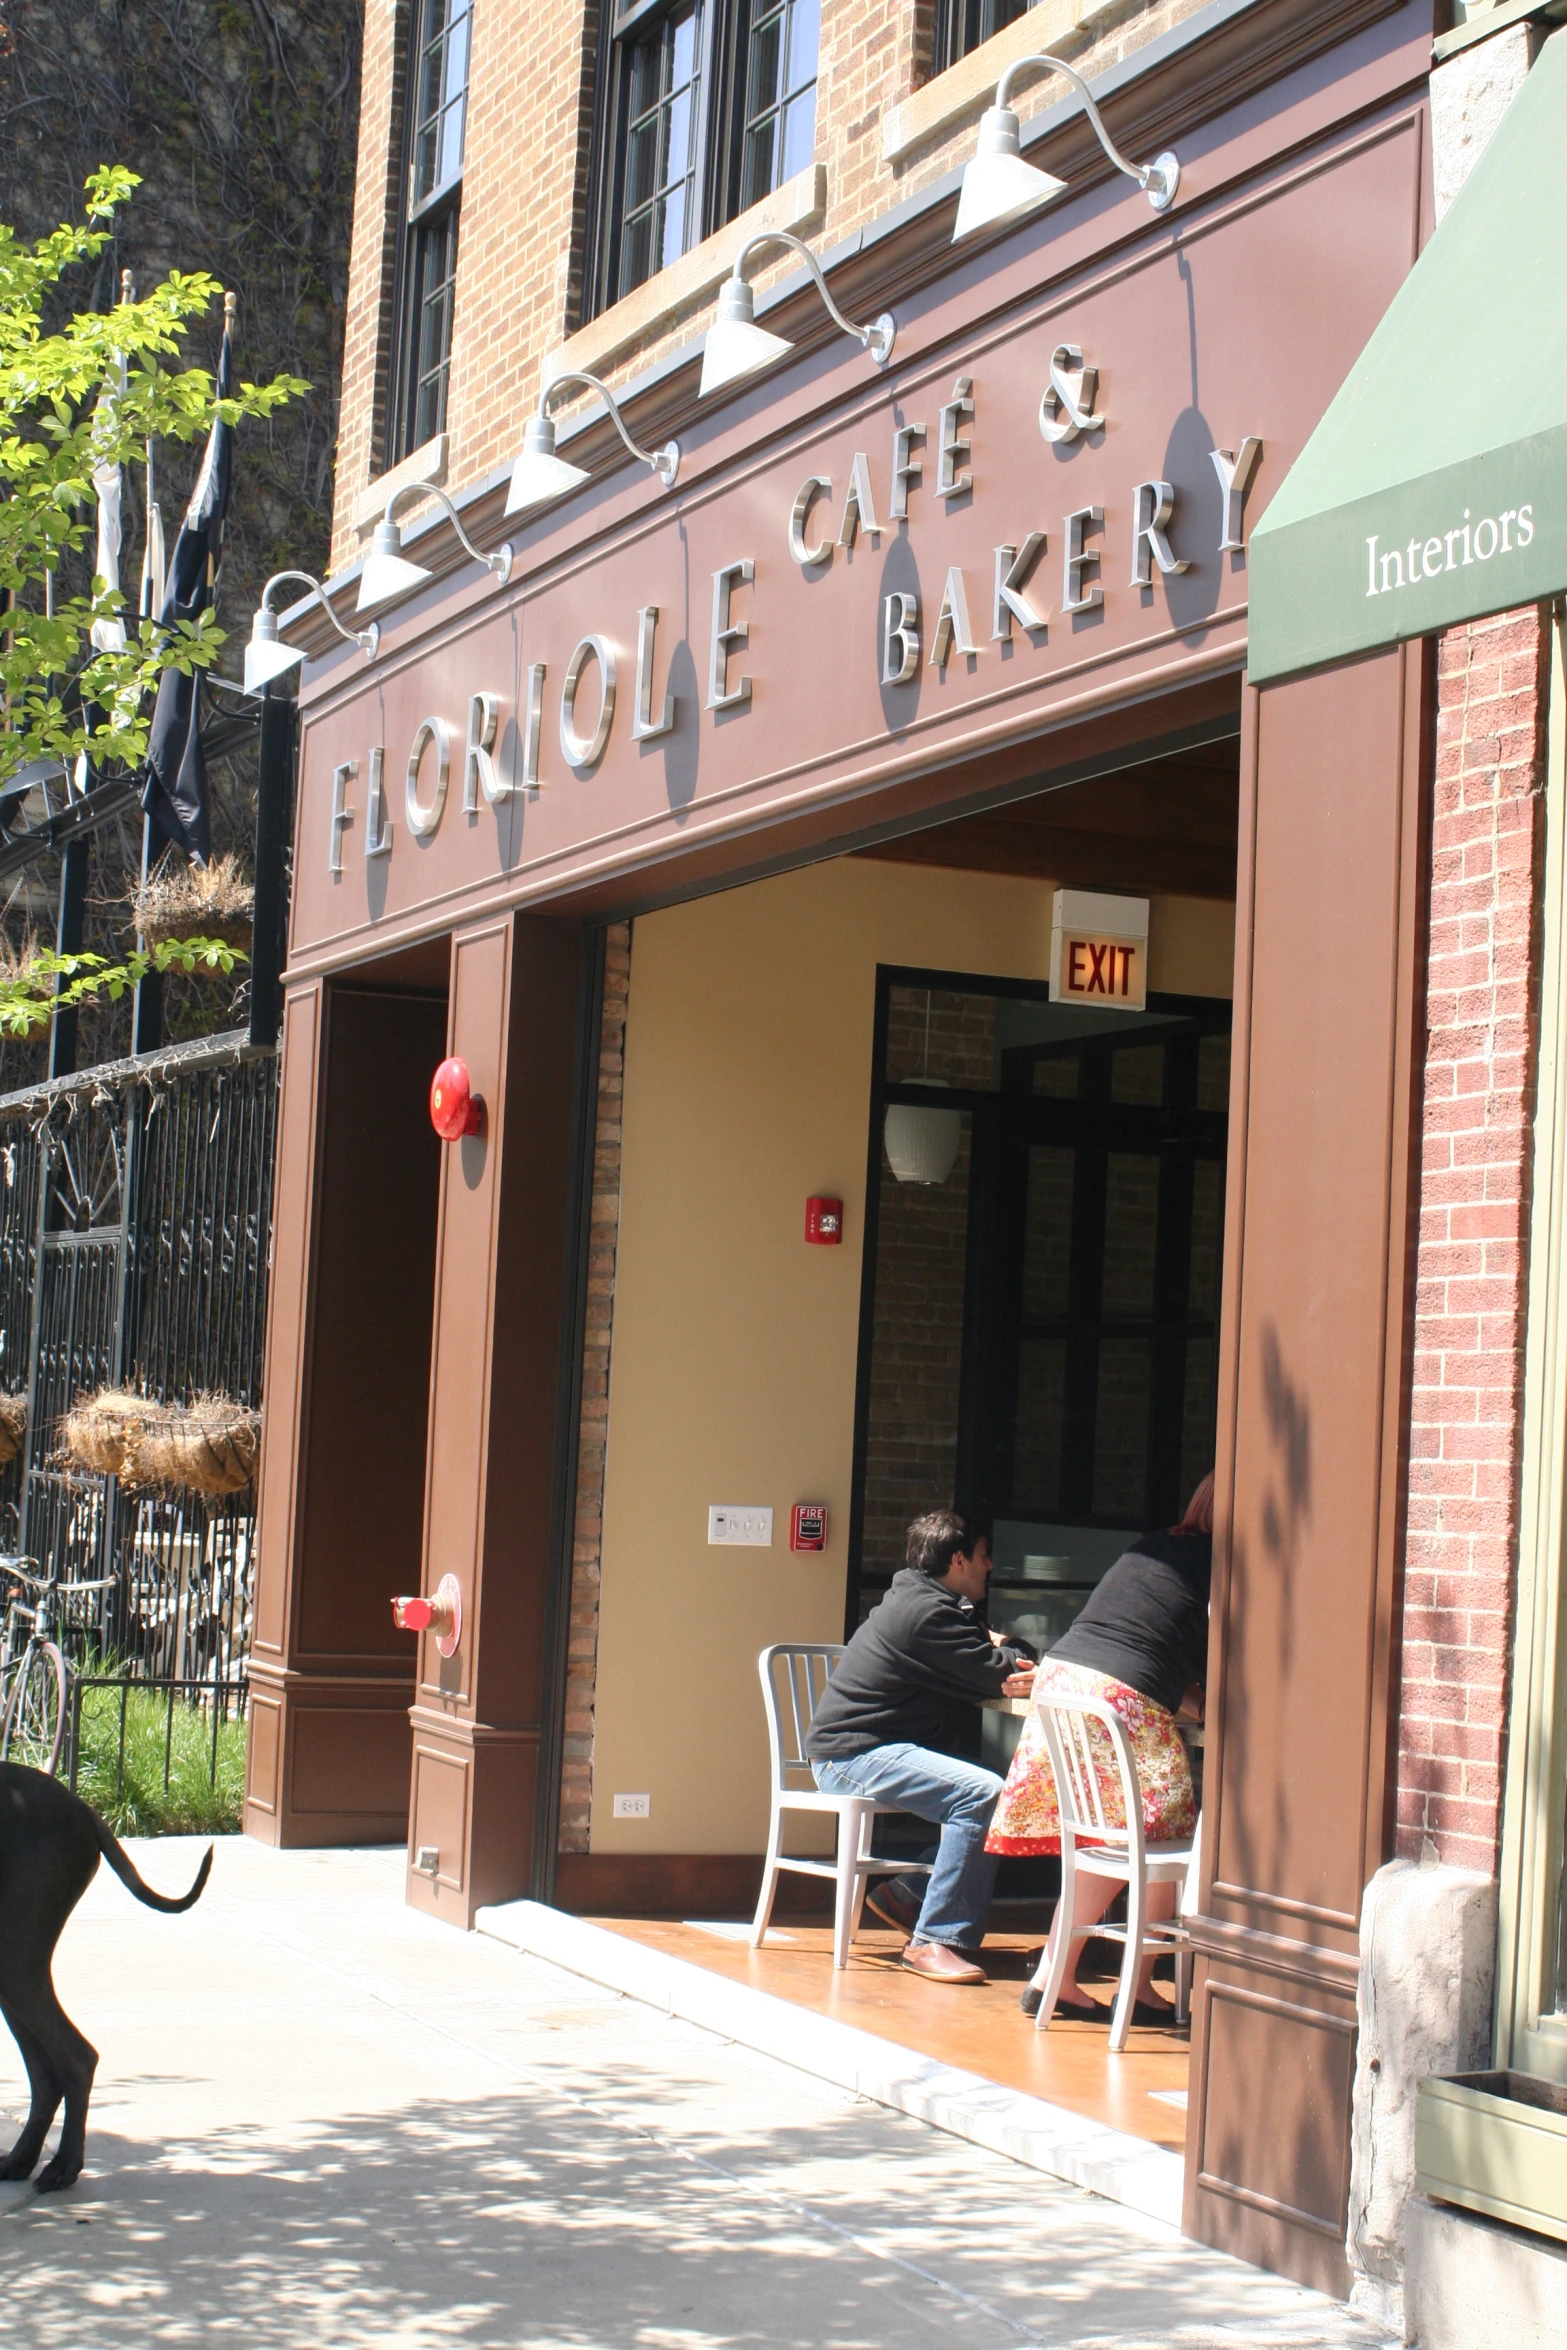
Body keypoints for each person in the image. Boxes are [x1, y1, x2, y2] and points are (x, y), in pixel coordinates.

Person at [984, 1473, 1213, 2020]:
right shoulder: (1226, 1564)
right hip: (1115, 1697)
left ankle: (1117, 1981)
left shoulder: (1158, 1546)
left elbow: (1145, 1645)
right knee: (1151, 1830)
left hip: (1063, 1681)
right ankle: (1078, 1976)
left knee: (1128, 1833)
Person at [805, 1509, 1036, 1983]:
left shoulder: (926, 1599)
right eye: (983, 1555)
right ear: (957, 1560)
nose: (989, 1566)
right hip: (852, 1755)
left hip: (874, 1747)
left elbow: (993, 1658)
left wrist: (998, 1647)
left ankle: (910, 1893)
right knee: (982, 1791)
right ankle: (933, 1940)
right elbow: (1009, 1669)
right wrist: (1005, 1648)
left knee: (989, 1790)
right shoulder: (928, 1615)